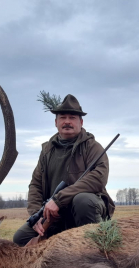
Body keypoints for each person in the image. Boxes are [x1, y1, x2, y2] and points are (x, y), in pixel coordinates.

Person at [13, 94, 115, 246]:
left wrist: (58, 199)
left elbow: (98, 179)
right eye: (63, 117)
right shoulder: (47, 151)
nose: (67, 121)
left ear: (81, 122)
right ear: (56, 122)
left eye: (72, 117)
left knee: (83, 201)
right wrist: (37, 215)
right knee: (20, 239)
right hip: (54, 215)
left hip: (84, 212)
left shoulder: (93, 147)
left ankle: (97, 249)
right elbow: (35, 185)